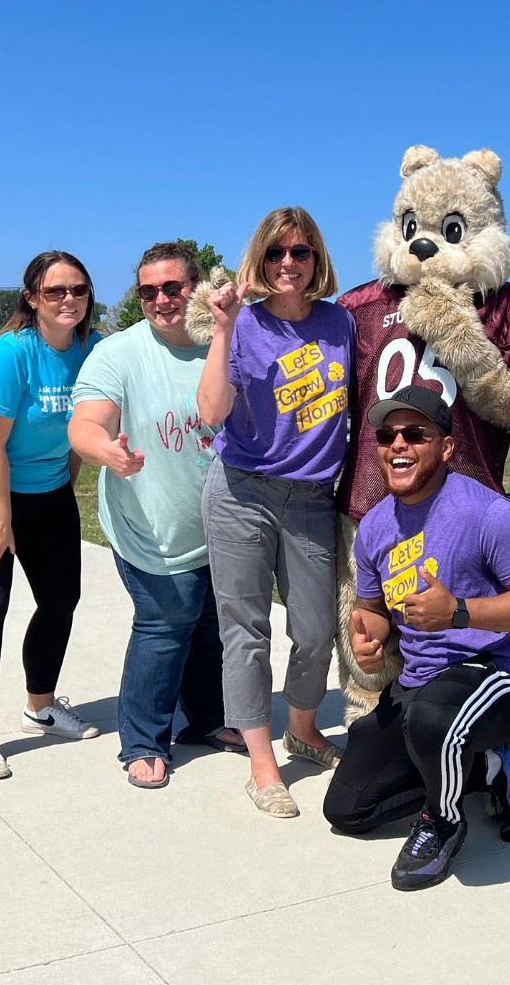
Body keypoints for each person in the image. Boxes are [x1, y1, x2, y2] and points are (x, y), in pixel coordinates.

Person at [323, 386, 510, 890]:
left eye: (415, 434)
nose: (398, 445)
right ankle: (500, 768)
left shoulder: (486, 513)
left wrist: (458, 612)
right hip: (420, 682)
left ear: (447, 448)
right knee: (348, 809)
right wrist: (367, 634)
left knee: (434, 720)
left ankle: (443, 821)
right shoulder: (376, 526)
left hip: (491, 676)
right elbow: (372, 608)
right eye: (387, 435)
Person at [70, 241, 245, 789]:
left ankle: (208, 718)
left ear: (195, 287)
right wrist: (106, 451)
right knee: (166, 623)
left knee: (213, 624)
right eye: (148, 290)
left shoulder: (230, 338)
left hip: (222, 525)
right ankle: (143, 740)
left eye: (173, 287)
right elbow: (85, 423)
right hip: (151, 528)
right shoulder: (119, 352)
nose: (161, 299)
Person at [198, 206, 353, 818]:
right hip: (242, 491)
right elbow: (211, 412)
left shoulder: (340, 324)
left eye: (301, 252)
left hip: (313, 495)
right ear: (259, 261)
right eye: (276, 254)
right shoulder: (242, 323)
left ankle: (304, 728)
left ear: (317, 259)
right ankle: (263, 764)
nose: (288, 263)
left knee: (315, 631)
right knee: (247, 629)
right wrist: (221, 331)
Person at [0, 251, 102, 780]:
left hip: (46, 487)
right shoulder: (11, 352)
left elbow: (84, 426)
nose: (69, 300)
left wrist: (65, 486)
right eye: (56, 292)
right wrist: (0, 522)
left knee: (60, 599)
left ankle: (41, 706)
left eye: (78, 289)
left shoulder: (92, 348)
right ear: (33, 298)